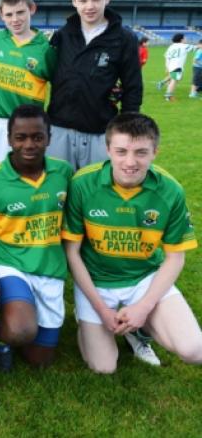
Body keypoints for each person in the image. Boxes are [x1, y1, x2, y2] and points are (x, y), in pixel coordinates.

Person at [62, 112, 202, 373]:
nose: (130, 161)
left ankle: (139, 329)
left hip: (144, 278)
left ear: (155, 152)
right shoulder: (82, 184)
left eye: (141, 152)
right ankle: (89, 322)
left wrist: (143, 306)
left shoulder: (171, 190)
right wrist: (101, 309)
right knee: (103, 366)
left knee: (194, 350)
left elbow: (175, 258)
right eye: (121, 151)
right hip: (97, 282)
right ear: (108, 149)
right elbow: (72, 253)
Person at [0, 104, 73, 371]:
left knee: (39, 359)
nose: (29, 144)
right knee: (20, 330)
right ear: (9, 139)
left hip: (50, 268)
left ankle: (24, 315)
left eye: (37, 137)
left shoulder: (64, 174)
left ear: (49, 137)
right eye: (20, 137)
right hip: (7, 263)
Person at [47, 0, 143, 170]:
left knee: (96, 193)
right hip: (59, 129)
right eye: (83, 0)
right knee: (60, 192)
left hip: (100, 131)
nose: (89, 6)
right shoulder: (62, 36)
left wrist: (126, 129)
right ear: (74, 1)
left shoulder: (124, 39)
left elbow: (133, 87)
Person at [0, 0, 55, 171]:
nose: (15, 19)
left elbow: (59, 85)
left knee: (24, 180)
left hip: (28, 127)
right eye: (9, 14)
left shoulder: (46, 48)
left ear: (32, 9)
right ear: (1, 15)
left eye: (20, 12)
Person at [157, 33, 196, 101]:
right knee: (174, 81)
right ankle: (168, 96)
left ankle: (163, 85)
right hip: (177, 66)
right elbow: (196, 47)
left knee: (176, 79)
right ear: (182, 39)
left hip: (171, 66)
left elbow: (166, 57)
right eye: (185, 38)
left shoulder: (171, 46)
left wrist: (167, 67)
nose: (186, 39)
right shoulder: (184, 46)